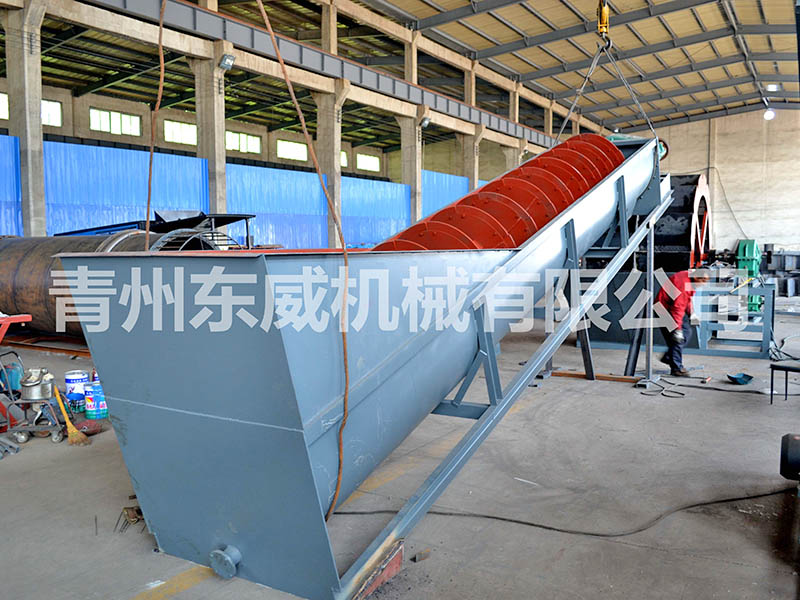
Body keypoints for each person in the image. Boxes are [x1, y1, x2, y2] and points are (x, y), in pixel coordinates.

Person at [656, 269, 711, 376]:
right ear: (696, 277)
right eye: (703, 280)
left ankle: (669, 357)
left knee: (686, 333)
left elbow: (687, 299)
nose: (704, 284)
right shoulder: (683, 285)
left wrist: (692, 313)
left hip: (672, 307)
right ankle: (676, 368)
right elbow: (677, 308)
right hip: (664, 310)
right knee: (677, 339)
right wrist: (677, 330)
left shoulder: (690, 278)